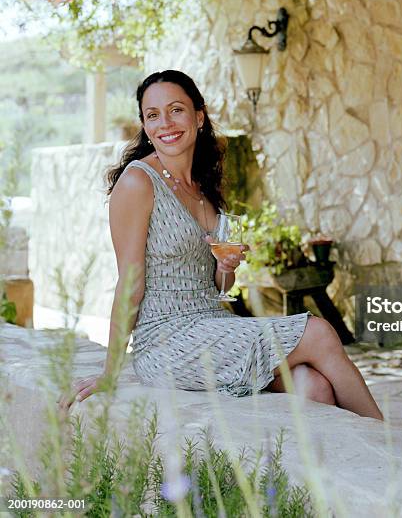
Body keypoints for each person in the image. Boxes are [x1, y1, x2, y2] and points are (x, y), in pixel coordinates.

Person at [58, 70, 383, 421]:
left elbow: (219, 289)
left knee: (313, 385)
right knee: (317, 332)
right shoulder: (138, 182)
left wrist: (225, 269)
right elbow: (130, 283)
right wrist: (111, 371)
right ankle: (389, 445)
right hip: (167, 342)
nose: (165, 123)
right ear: (145, 126)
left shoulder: (204, 185)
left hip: (214, 324)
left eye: (176, 110)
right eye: (153, 115)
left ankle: (320, 471)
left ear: (199, 117)